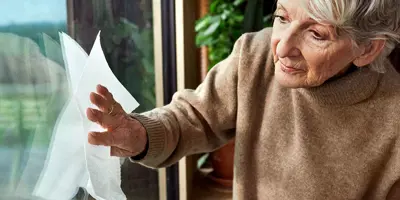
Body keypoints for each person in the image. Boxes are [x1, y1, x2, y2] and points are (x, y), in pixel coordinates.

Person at [85, 0, 400, 199]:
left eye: (316, 34)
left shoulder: (393, 117)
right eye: (281, 17)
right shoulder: (256, 55)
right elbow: (191, 118)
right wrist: (139, 134)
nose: (282, 46)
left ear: (368, 49)